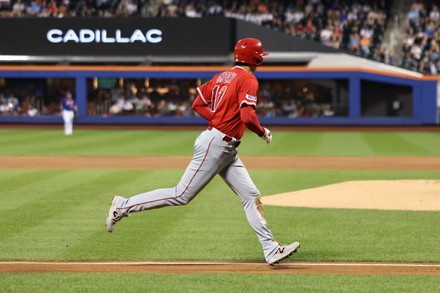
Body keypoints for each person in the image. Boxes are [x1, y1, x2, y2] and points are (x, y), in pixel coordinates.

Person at [105, 38, 300, 266]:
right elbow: (247, 116)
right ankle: (123, 206)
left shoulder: (221, 77)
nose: (261, 60)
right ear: (254, 58)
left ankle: (271, 249)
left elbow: (198, 104)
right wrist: (261, 131)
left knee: (250, 195)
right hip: (216, 144)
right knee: (181, 194)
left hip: (225, 147)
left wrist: (217, 121)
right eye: (260, 56)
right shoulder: (248, 79)